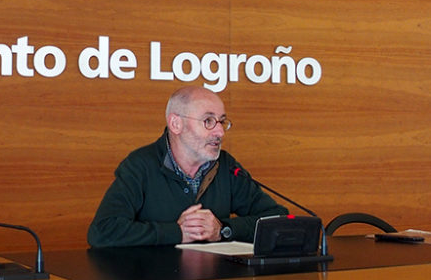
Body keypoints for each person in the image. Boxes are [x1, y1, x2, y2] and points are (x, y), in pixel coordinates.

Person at [87, 85, 288, 248]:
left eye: (222, 122)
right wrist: (178, 232)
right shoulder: (140, 165)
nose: (219, 132)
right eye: (208, 121)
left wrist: (223, 229)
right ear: (176, 124)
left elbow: (279, 220)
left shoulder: (226, 167)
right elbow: (103, 232)